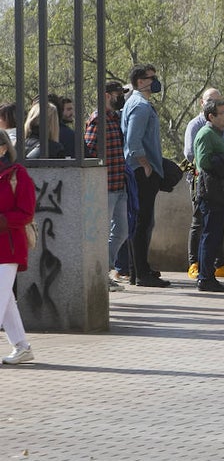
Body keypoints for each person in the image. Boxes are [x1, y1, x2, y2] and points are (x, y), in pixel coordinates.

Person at [122, 64, 169, 287]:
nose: (156, 81)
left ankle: (137, 270)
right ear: (141, 82)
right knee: (142, 222)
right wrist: (146, 165)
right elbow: (133, 142)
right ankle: (141, 274)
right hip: (141, 172)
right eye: (152, 77)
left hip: (140, 170)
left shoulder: (135, 102)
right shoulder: (140, 105)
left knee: (140, 222)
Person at [84, 81, 130, 293]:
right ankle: (99, 273)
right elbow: (89, 151)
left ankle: (105, 268)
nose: (120, 97)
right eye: (117, 94)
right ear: (106, 95)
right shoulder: (98, 121)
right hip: (106, 187)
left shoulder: (114, 118)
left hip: (119, 185)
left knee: (121, 231)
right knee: (103, 233)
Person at [184, 87, 224, 281]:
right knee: (201, 223)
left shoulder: (222, 128)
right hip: (205, 185)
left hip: (220, 187)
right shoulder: (199, 128)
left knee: (216, 227)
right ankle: (197, 265)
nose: (223, 112)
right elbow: (195, 157)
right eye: (212, 101)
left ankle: (217, 264)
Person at [0, 129, 35, 364]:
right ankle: (22, 347)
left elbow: (26, 212)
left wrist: (2, 221)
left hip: (9, 247)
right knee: (7, 301)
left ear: (3, 148)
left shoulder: (18, 174)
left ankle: (22, 348)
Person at [192, 99, 224, 293]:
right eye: (223, 113)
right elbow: (204, 162)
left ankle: (208, 275)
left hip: (221, 193)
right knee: (210, 235)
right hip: (211, 193)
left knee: (215, 235)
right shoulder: (206, 134)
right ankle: (205, 277)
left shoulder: (219, 134)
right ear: (211, 116)